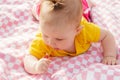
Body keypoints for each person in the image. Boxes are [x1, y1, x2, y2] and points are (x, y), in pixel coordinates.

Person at [23, 0, 118, 74]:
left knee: (84, 5)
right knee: (38, 10)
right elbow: (29, 57)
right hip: (47, 12)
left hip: (80, 11)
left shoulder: (85, 31)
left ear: (77, 31)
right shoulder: (43, 41)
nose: (50, 42)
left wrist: (109, 55)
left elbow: (107, 36)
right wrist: (35, 66)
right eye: (45, 35)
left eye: (59, 39)